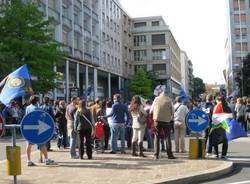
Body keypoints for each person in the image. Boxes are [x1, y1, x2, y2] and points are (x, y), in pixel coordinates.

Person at [25, 95, 54, 166]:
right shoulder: (37, 108)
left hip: (29, 128)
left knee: (29, 144)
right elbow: (41, 118)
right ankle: (46, 159)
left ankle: (28, 160)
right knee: (42, 144)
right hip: (37, 128)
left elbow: (26, 117)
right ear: (37, 101)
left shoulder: (27, 108)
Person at [150, 86, 175, 159]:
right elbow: (173, 111)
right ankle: (169, 155)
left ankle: (156, 155)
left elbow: (151, 110)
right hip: (167, 121)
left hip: (157, 121)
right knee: (167, 137)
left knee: (156, 137)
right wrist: (170, 118)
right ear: (167, 94)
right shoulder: (169, 100)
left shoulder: (156, 99)